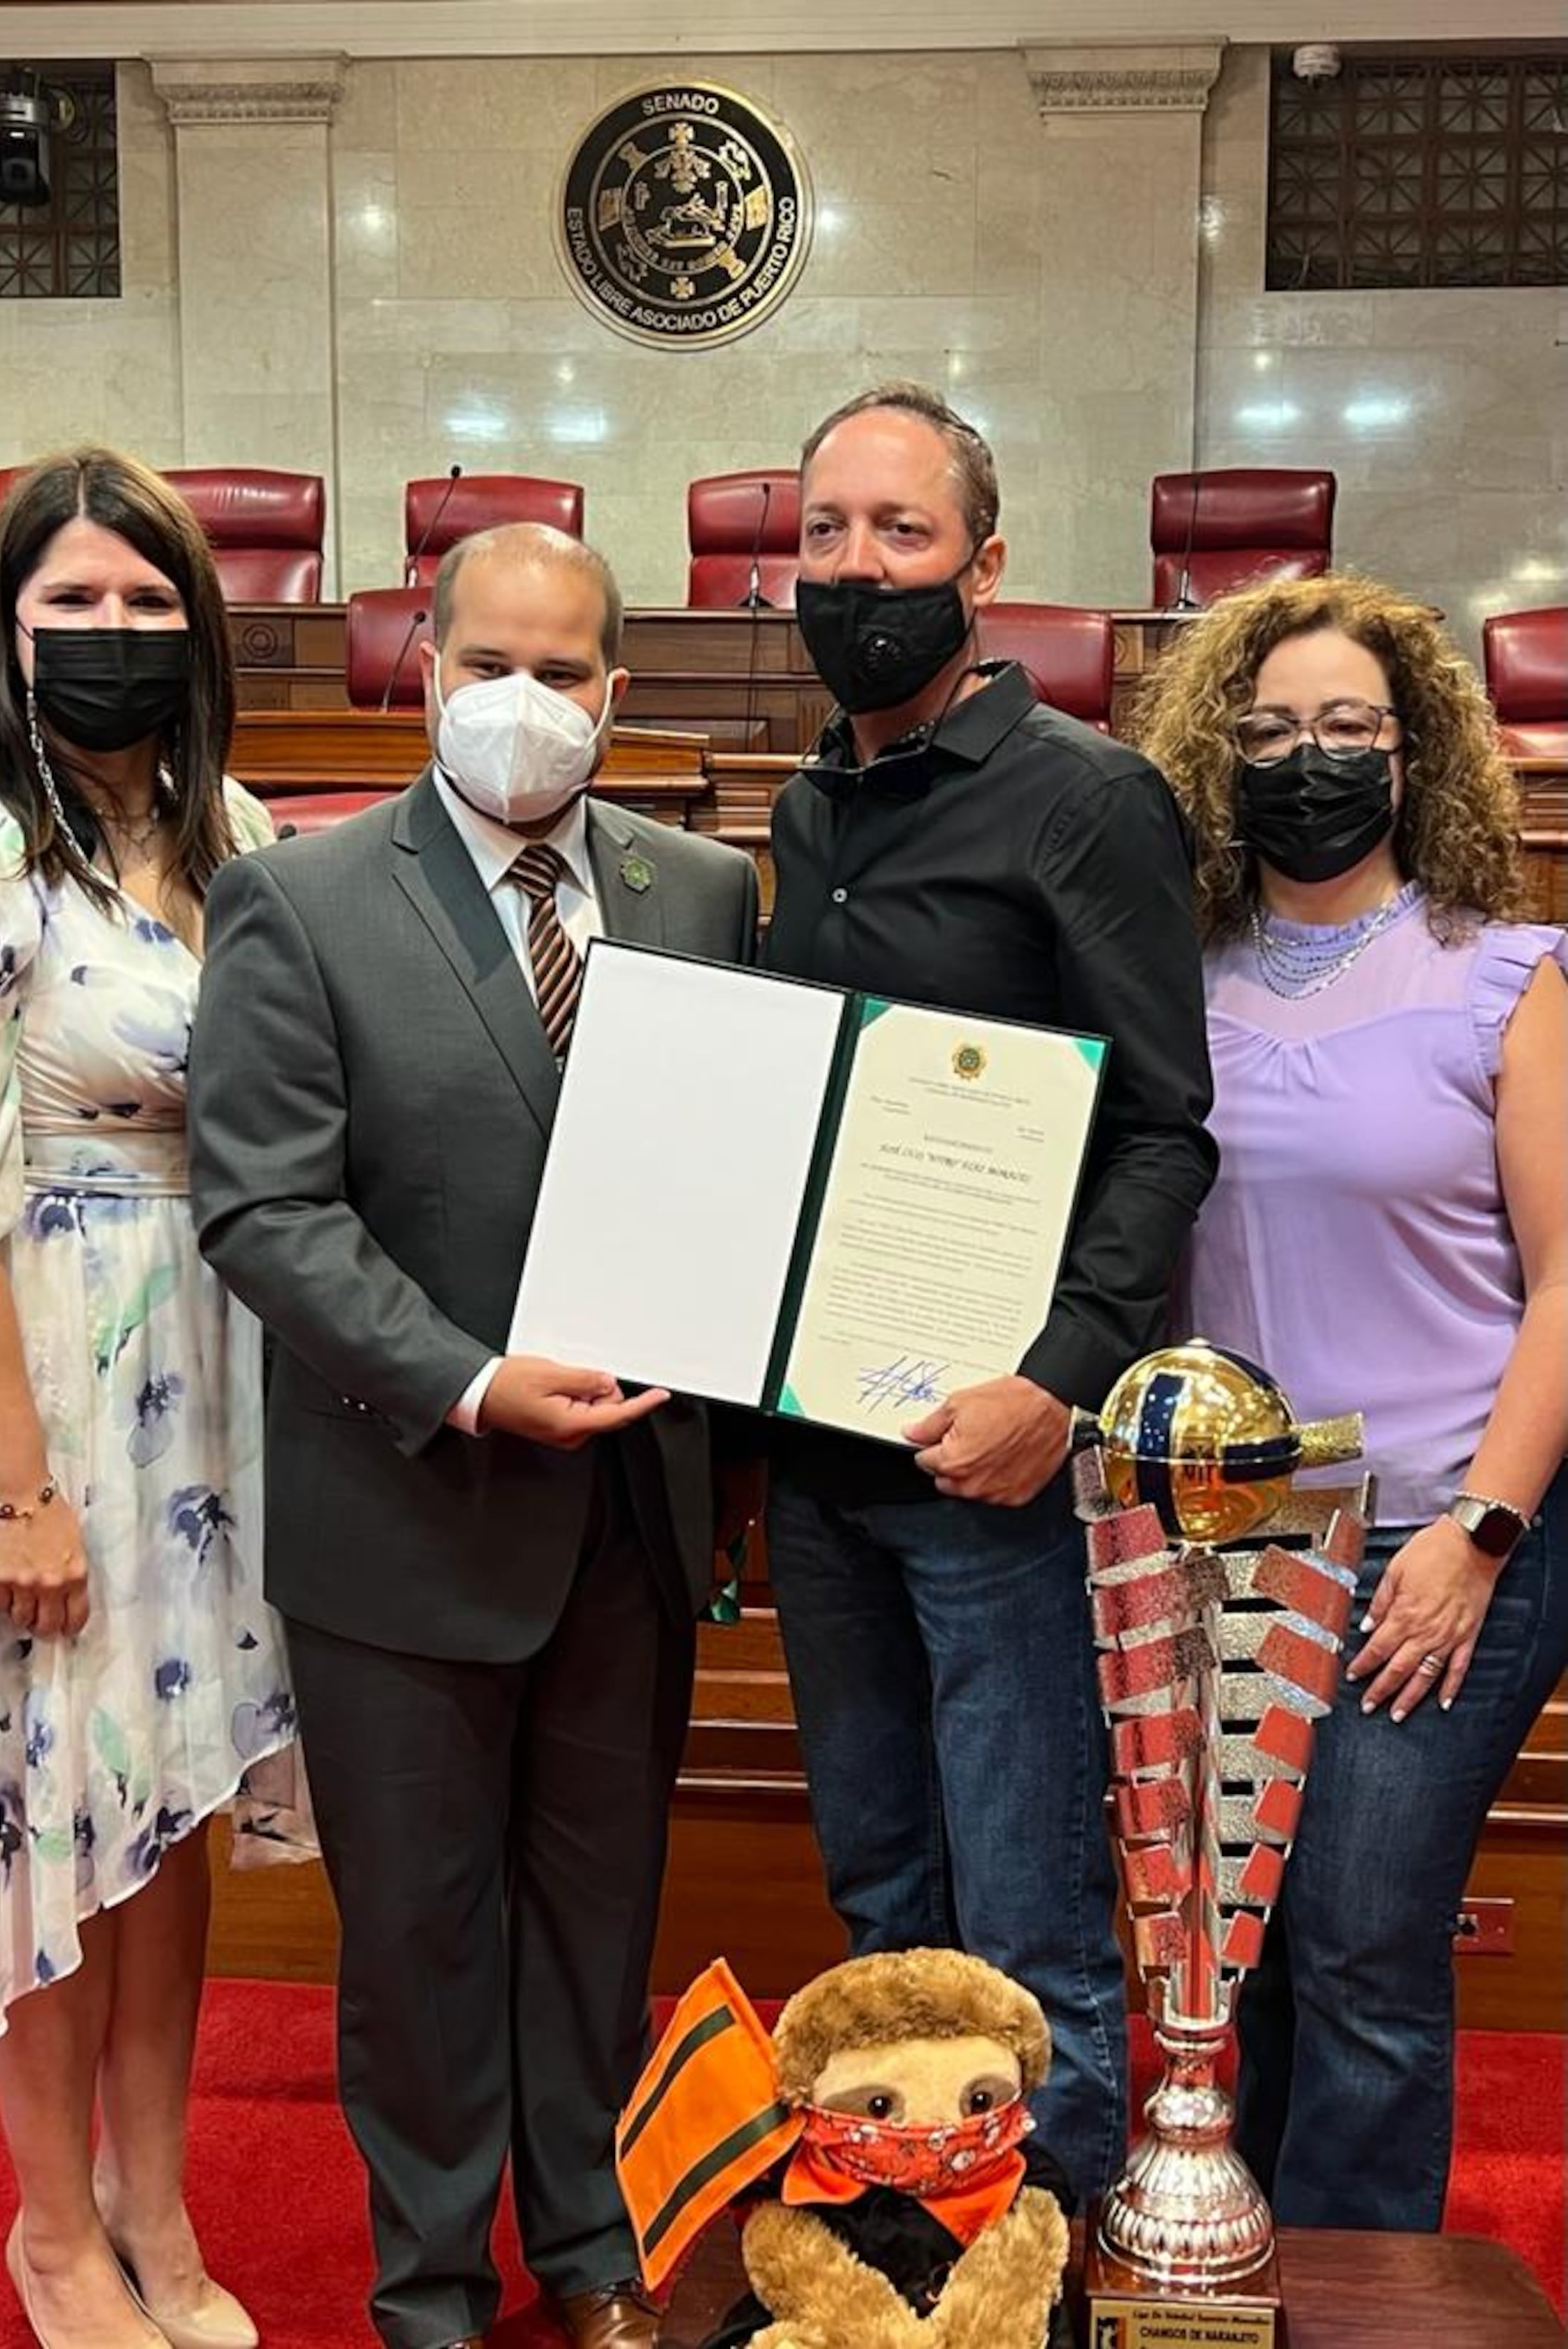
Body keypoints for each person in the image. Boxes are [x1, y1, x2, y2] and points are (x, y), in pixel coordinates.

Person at [188, 521, 761, 2349]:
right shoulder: (303, 896)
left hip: (632, 1520)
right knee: (423, 1943)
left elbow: (735, 1181)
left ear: (620, 687)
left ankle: (588, 2255)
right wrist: (462, 1377)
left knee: (599, 1918)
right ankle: (430, 2288)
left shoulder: (700, 890)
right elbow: (267, 1210)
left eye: (566, 669)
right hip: (410, 1500)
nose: (527, 702)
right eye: (489, 664)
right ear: (421, 668)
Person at [0, 448, 313, 2349]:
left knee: (165, 1801)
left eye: (145, 602)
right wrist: (16, 1492)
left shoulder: (240, 836)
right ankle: (49, 2228)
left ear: (199, 627)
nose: (112, 635)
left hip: (213, 1381)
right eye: (70, 604)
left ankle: (152, 2199)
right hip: (28, 1376)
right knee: (45, 1805)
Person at [758, 382, 1219, 2201]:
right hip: (819, 1467)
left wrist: (1056, 1382)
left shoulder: (1085, 800)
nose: (856, 568)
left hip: (998, 1469)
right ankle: (902, 2242)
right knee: (879, 1904)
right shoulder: (803, 807)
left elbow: (1165, 1134)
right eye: (823, 534)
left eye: (900, 533)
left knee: (1028, 1927)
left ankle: (1050, 2272)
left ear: (985, 563)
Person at [1138, 571, 1568, 2229]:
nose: (1302, 759)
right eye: (1264, 730)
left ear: (1412, 755)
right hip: (1220, 1537)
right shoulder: (1169, 973)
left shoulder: (1503, 973)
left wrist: (1474, 1530)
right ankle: (1227, 2262)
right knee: (1223, 1953)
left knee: (1361, 1947)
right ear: (1210, 756)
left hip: (1435, 1534)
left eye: (1343, 728)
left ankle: (1356, 2298)